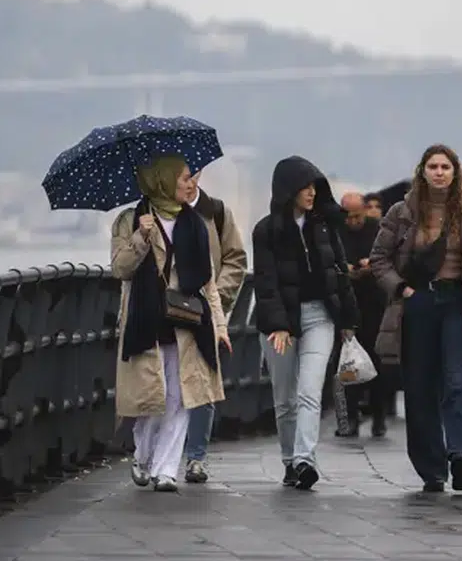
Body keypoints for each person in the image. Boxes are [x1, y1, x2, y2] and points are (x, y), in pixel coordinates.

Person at [369, 143, 462, 492]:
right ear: (422, 171)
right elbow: (378, 259)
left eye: (445, 167)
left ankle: (461, 451)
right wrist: (402, 290)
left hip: (458, 301)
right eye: (433, 167)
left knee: (458, 379)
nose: (439, 172)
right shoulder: (402, 212)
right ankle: (431, 468)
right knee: (420, 387)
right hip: (419, 301)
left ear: (455, 173)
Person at [111, 155, 231, 492]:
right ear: (162, 181)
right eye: (184, 179)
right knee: (153, 396)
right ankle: (143, 455)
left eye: (193, 178)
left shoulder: (196, 222)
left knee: (182, 397)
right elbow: (120, 268)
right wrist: (141, 237)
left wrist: (220, 326)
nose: (192, 184)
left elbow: (208, 282)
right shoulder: (130, 220)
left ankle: (166, 470)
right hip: (147, 320)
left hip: (188, 320)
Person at [253, 156, 358, 490]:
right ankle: (289, 461)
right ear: (288, 190)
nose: (311, 193)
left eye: (315, 186)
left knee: (310, 391)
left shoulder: (324, 226)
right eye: (304, 187)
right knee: (285, 399)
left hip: (319, 317)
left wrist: (347, 319)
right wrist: (279, 325)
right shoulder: (266, 231)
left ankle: (304, 459)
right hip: (280, 323)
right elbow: (266, 283)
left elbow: (340, 273)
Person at [181, 171, 248, 484]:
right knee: (170, 381)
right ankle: (166, 453)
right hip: (172, 310)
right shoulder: (160, 212)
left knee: (205, 378)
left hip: (208, 311)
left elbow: (235, 258)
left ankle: (195, 456)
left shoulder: (216, 212)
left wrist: (217, 298)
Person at [336, 190, 389, 438]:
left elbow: (387, 257)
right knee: (346, 364)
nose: (354, 222)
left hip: (374, 302)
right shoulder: (335, 230)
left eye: (358, 216)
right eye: (349, 217)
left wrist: (371, 264)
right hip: (347, 303)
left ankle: (379, 416)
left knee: (376, 361)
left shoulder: (376, 229)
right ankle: (350, 419)